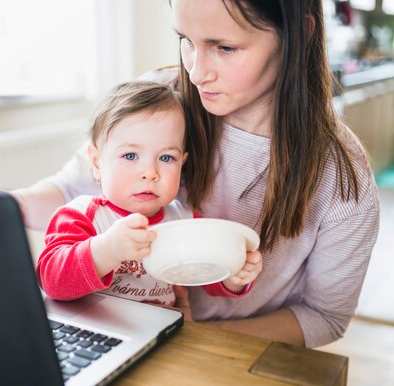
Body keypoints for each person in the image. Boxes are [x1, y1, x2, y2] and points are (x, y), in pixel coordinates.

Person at [9, 0, 380, 349]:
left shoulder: (342, 176)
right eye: (185, 39)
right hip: (124, 339)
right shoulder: (159, 100)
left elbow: (325, 318)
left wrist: (185, 339)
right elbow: (70, 191)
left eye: (225, 47)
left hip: (222, 357)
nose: (197, 72)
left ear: (297, 34)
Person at [37, 81, 262, 311]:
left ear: (182, 163)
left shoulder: (183, 219)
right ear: (97, 162)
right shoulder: (82, 215)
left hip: (160, 333)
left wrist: (233, 277)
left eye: (166, 158)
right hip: (101, 337)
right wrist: (108, 250)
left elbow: (204, 272)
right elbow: (51, 282)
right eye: (130, 155)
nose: (150, 173)